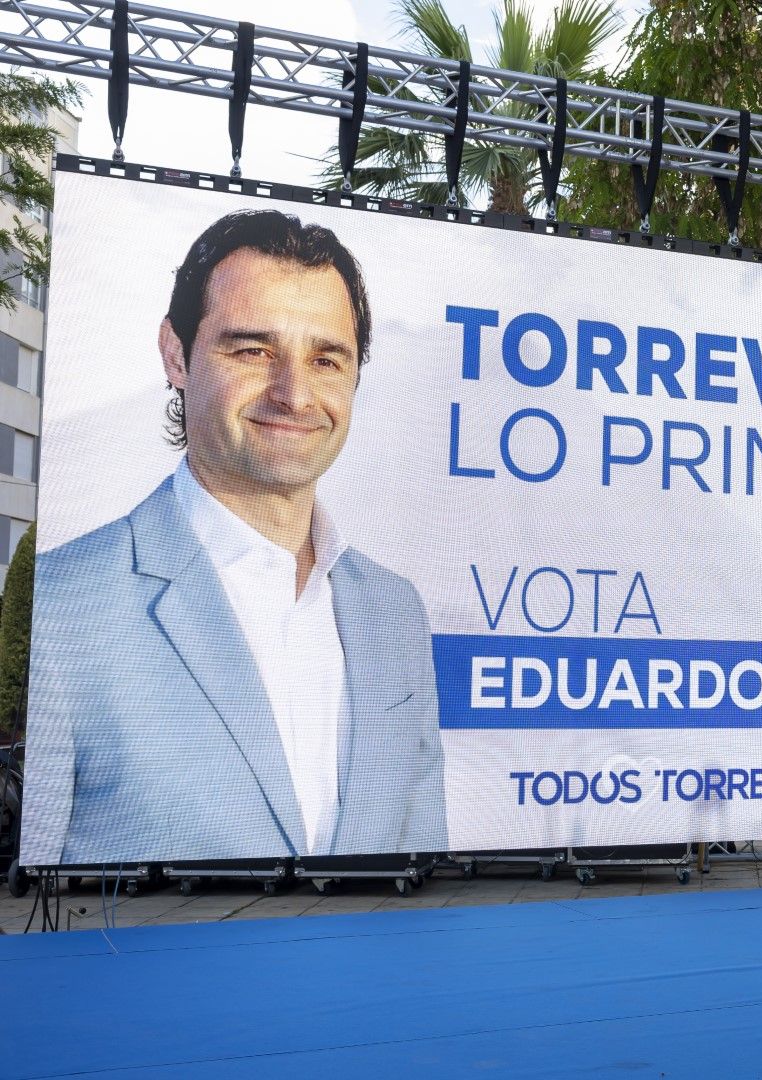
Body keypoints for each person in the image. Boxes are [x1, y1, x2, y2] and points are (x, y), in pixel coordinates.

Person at [21, 209, 447, 866]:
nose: (295, 394)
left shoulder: (395, 610)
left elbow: (425, 870)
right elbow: (25, 910)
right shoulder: (61, 605)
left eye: (327, 358)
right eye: (253, 351)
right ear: (175, 354)